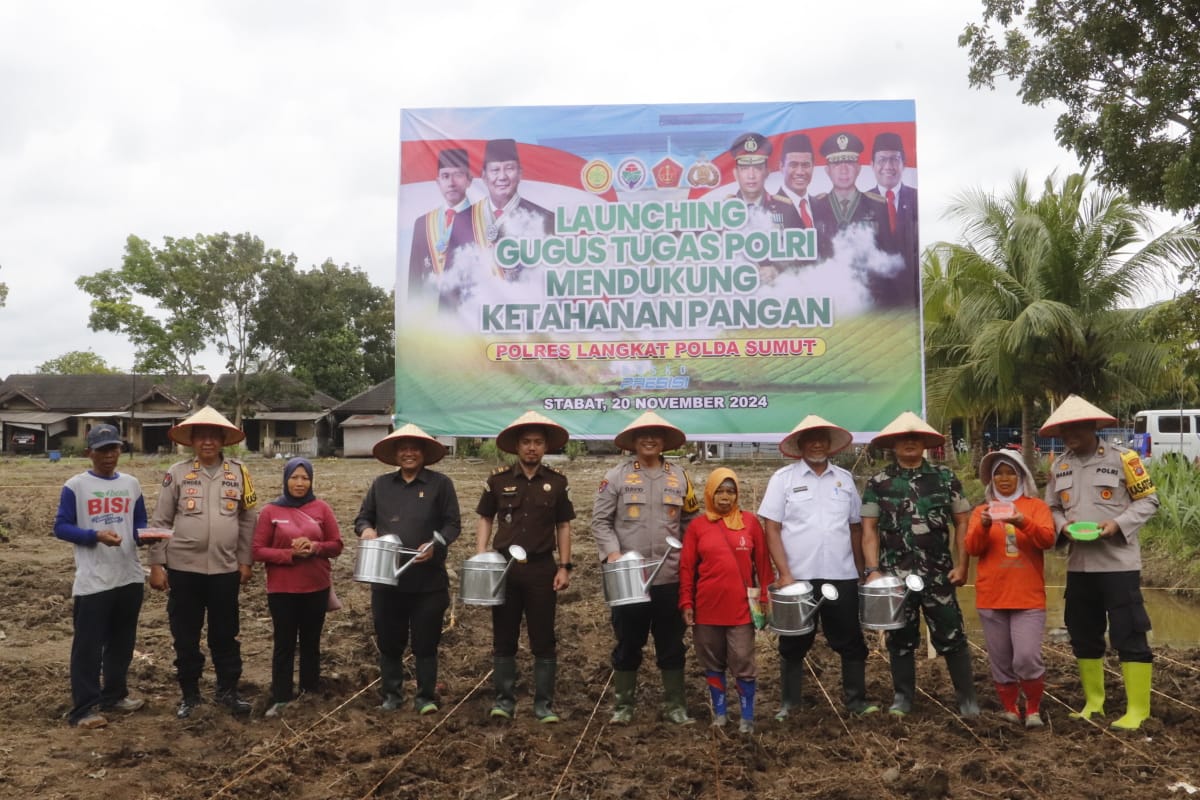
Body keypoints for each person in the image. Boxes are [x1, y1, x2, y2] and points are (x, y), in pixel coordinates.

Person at [1041, 395, 1159, 730]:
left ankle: (1138, 710)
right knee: (1083, 633)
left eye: (1074, 427)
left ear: (1093, 426)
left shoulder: (1125, 459)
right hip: (1079, 566)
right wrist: (1063, 527)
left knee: (1129, 633)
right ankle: (1095, 703)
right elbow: (1051, 508)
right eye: (1063, 429)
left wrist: (1117, 525)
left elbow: (1150, 500)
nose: (1068, 435)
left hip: (1119, 564)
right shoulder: (1058, 466)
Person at [860, 411, 979, 717]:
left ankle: (967, 699)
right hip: (895, 576)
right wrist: (873, 571)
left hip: (939, 574)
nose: (910, 443)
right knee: (900, 638)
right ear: (894, 444)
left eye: (916, 438)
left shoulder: (945, 478)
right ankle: (903, 697)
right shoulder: (879, 482)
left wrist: (962, 565)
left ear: (925, 443)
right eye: (904, 438)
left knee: (952, 635)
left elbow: (962, 523)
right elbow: (869, 529)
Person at [759, 415, 878, 718]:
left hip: (842, 574)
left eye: (821, 439)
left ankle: (855, 702)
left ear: (829, 444)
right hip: (798, 577)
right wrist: (784, 573)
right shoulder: (783, 480)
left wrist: (863, 572)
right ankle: (790, 703)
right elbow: (771, 528)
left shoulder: (845, 479)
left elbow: (855, 529)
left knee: (850, 639)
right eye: (809, 439)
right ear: (799, 445)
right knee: (794, 640)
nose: (816, 444)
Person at [148, 406, 258, 719]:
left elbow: (249, 518)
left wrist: (245, 559)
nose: (207, 442)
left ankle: (227, 691)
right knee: (185, 635)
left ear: (223, 440)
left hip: (225, 570)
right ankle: (190, 695)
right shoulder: (177, 473)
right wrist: (157, 563)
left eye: (213, 436)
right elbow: (161, 519)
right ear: (192, 441)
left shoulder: (239, 473)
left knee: (226, 634)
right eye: (201, 436)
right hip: (183, 570)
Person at [592, 411, 700, 725]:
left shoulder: (679, 476)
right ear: (633, 442)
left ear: (664, 441)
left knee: (671, 643)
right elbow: (600, 522)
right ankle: (623, 707)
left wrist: (690, 563)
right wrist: (612, 554)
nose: (650, 440)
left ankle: (675, 706)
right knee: (628, 642)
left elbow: (690, 521)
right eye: (643, 435)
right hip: (629, 578)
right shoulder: (616, 476)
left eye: (655, 435)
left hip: (669, 577)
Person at [475, 411, 575, 722]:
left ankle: (543, 704)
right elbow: (485, 519)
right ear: (517, 447)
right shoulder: (498, 479)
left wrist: (565, 566)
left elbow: (564, 526)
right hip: (505, 569)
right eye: (526, 442)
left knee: (543, 637)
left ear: (545, 447)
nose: (532, 448)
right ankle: (504, 700)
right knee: (503, 636)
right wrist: (481, 557)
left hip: (542, 569)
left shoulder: (557, 483)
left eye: (538, 443)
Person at [355, 423, 461, 714]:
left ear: (424, 453)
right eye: (404, 448)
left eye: (415, 448)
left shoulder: (440, 484)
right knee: (390, 641)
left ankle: (425, 696)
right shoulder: (381, 485)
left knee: (426, 643)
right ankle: (392, 695)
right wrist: (366, 531)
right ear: (395, 453)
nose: (409, 453)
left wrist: (435, 544)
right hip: (387, 579)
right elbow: (363, 518)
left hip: (428, 582)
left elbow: (452, 524)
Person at [53, 423, 149, 729]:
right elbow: (61, 527)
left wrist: (149, 536)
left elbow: (139, 525)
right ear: (89, 453)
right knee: (88, 646)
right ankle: (83, 709)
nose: (110, 455)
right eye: (103, 450)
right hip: (94, 580)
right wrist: (94, 535)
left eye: (115, 448)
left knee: (122, 643)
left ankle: (115, 695)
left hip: (129, 575)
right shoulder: (76, 486)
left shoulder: (131, 485)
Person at [963, 451, 1056, 727]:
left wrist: (1021, 521)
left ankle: (1034, 709)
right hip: (992, 596)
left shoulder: (1036, 507)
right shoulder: (982, 510)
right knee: (1000, 658)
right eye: (998, 473)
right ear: (991, 479)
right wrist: (982, 526)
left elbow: (1047, 539)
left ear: (1022, 475)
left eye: (1010, 472)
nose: (1005, 479)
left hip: (1028, 596)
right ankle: (1010, 708)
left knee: (1027, 656)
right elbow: (972, 548)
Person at [678, 467, 773, 733]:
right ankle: (719, 714)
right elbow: (686, 568)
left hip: (741, 609)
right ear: (709, 493)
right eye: (719, 491)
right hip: (706, 608)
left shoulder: (750, 523)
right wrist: (686, 602)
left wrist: (765, 596)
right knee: (712, 661)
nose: (725, 497)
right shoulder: (697, 527)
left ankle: (747, 717)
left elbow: (763, 565)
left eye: (730, 492)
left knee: (743, 660)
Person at [252, 457, 344, 718]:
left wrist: (315, 548)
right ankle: (281, 696)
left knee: (311, 643)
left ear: (311, 481)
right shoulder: (271, 512)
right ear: (285, 479)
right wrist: (289, 554)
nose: (300, 483)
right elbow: (258, 550)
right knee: (284, 643)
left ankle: (309, 694)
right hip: (282, 590)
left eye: (305, 478)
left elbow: (336, 545)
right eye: (295, 477)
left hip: (316, 587)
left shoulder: (322, 508)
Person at [467, 138, 554, 280]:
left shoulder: (547, 219)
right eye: (495, 170)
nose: (502, 177)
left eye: (509, 168)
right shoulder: (463, 220)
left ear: (520, 173)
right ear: (484, 177)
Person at [810, 131, 896, 270]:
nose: (844, 170)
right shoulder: (814, 207)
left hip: (869, 286)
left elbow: (888, 254)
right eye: (837, 163)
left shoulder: (879, 206)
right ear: (827, 170)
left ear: (858, 168)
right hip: (826, 285)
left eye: (849, 162)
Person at [727, 132, 803, 279]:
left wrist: (777, 270)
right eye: (744, 168)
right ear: (735, 173)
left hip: (775, 291)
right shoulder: (722, 210)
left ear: (767, 172)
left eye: (757, 167)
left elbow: (805, 254)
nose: (751, 175)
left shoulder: (785, 207)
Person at [408, 147, 477, 308]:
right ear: (438, 182)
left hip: (470, 316)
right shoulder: (422, 223)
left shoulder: (481, 220)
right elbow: (415, 279)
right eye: (445, 176)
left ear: (469, 180)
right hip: (430, 319)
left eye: (458, 175)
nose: (451, 183)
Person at [866, 131, 919, 306]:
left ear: (904, 164)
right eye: (882, 160)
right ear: (872, 165)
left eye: (895, 159)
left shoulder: (916, 198)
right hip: (873, 299)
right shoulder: (862, 202)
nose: (888, 166)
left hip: (910, 299)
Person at [777, 133, 831, 258]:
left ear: (813, 167)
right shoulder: (769, 207)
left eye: (806, 165)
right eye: (793, 165)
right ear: (781, 167)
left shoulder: (824, 207)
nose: (800, 172)